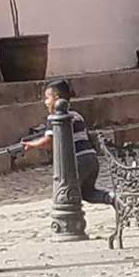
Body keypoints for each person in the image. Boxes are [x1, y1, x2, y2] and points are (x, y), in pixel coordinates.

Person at [23, 79, 115, 207]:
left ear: (57, 99)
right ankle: (113, 198)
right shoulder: (77, 115)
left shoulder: (55, 118)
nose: (45, 102)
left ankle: (71, 222)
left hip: (77, 161)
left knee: (66, 195)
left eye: (47, 98)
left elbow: (49, 141)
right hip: (91, 158)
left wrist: (32, 144)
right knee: (87, 192)